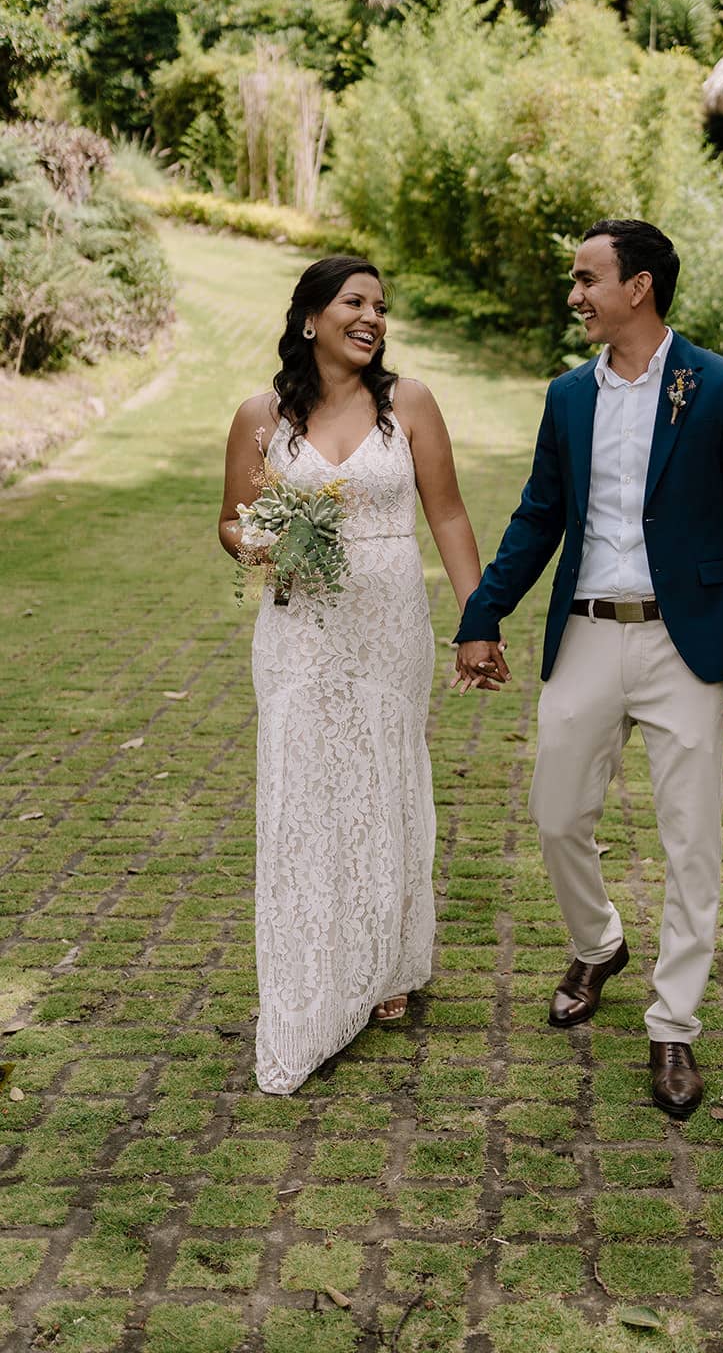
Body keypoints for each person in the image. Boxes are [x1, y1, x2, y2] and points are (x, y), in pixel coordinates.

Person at [453, 219, 723, 1118]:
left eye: (586, 278)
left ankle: (672, 1024)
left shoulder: (721, 387)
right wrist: (482, 613)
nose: (575, 295)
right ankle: (598, 943)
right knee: (556, 813)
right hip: (589, 632)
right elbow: (538, 514)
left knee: (691, 841)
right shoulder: (569, 395)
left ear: (637, 287)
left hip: (689, 644)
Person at [220, 255, 490, 1095]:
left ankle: (387, 961)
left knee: (382, 778)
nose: (372, 317)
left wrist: (478, 621)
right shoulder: (260, 416)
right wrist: (264, 542)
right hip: (297, 629)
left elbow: (448, 514)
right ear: (310, 318)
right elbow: (231, 522)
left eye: (380, 306)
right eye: (354, 302)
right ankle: (311, 969)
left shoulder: (408, 404)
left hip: (387, 625)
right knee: (303, 789)